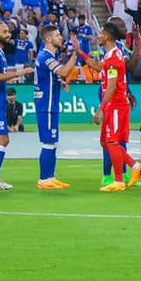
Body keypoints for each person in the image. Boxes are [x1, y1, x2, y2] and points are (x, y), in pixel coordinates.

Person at [85, 20, 141, 191]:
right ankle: (134, 168)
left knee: (112, 141)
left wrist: (100, 110)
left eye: (101, 33)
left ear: (107, 36)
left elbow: (112, 86)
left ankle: (119, 179)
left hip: (116, 104)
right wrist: (80, 53)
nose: (98, 36)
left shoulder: (113, 57)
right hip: (114, 103)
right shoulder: (112, 54)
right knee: (107, 142)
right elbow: (100, 67)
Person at [0, 21, 33, 191]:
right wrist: (20, 73)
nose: (8, 34)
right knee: (3, 139)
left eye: (8, 31)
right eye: (4, 32)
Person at [33, 25, 80, 189]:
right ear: (48, 39)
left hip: (50, 105)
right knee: (48, 142)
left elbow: (52, 77)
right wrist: (76, 54)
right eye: (58, 35)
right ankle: (44, 179)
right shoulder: (46, 56)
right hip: (46, 105)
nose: (61, 37)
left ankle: (50, 177)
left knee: (53, 143)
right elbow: (63, 71)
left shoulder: (49, 56)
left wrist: (60, 82)